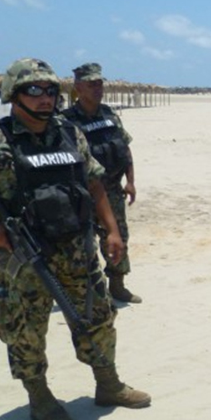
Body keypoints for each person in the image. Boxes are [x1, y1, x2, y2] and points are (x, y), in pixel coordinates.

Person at [0, 58, 150, 419]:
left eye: (51, 90)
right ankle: (39, 396)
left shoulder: (70, 134)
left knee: (98, 316)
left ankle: (108, 383)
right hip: (24, 257)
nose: (45, 97)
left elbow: (94, 183)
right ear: (13, 94)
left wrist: (112, 230)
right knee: (25, 329)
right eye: (34, 90)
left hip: (77, 249)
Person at [61, 63, 142, 304]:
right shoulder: (66, 121)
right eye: (91, 84)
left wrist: (131, 181)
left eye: (99, 84)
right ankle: (82, 291)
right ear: (78, 88)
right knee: (79, 244)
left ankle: (117, 285)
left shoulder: (109, 115)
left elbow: (124, 149)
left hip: (112, 190)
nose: (98, 89)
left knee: (118, 237)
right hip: (80, 193)